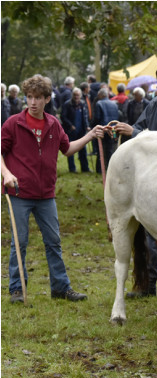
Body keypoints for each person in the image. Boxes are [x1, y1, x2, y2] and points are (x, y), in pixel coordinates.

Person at [97, 61, 157, 299]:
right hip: (149, 176)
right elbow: (140, 126)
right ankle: (147, 285)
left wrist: (137, 134)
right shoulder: (155, 103)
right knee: (150, 229)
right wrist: (125, 129)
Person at [1, 74, 103, 303]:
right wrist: (6, 173)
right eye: (29, 97)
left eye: (38, 97)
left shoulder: (53, 124)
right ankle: (17, 289)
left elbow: (66, 149)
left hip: (46, 194)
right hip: (18, 192)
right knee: (20, 241)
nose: (33, 102)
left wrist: (89, 135)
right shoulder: (13, 123)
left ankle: (60, 287)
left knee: (53, 241)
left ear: (47, 99)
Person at [60, 87, 91, 173]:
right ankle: (72, 169)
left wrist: (87, 126)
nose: (76, 96)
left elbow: (85, 116)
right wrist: (70, 125)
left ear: (80, 95)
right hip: (71, 131)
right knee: (71, 150)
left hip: (81, 130)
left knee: (83, 149)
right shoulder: (67, 104)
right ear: (72, 95)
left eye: (78, 95)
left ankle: (85, 168)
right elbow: (63, 116)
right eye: (75, 95)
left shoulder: (82, 104)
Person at [93, 88, 120, 172]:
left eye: (98, 95)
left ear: (101, 95)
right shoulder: (114, 104)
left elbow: (97, 118)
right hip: (113, 130)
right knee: (110, 149)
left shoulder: (99, 103)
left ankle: (100, 169)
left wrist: (92, 125)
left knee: (101, 149)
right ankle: (110, 168)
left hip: (103, 129)